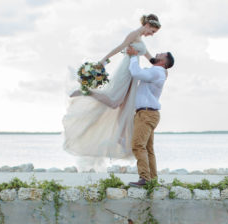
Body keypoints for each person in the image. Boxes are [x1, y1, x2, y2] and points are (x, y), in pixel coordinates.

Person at [62, 14, 162, 160]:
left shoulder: (140, 39)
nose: (151, 34)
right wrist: (103, 60)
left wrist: (163, 67)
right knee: (114, 101)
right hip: (126, 70)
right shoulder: (134, 34)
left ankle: (121, 138)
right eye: (152, 31)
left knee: (125, 105)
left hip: (132, 74)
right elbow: (120, 47)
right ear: (147, 25)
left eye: (153, 33)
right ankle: (87, 92)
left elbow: (150, 57)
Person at [125, 43, 174, 186]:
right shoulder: (158, 71)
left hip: (146, 114)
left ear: (164, 61)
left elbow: (135, 73)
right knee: (148, 149)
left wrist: (134, 56)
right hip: (148, 114)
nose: (158, 53)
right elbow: (151, 60)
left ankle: (145, 178)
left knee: (138, 145)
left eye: (161, 54)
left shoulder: (157, 71)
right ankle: (152, 179)